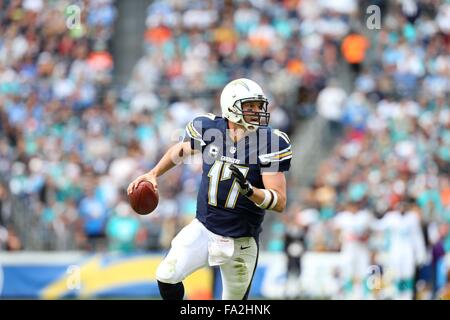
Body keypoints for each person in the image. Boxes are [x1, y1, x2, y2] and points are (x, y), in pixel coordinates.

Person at [128, 78, 292, 300]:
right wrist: (154, 173)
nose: (256, 111)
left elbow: (280, 201)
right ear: (231, 107)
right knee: (166, 275)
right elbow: (182, 150)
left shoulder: (270, 143)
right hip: (204, 228)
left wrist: (250, 191)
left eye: (258, 106)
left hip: (241, 240)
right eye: (249, 106)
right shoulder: (210, 129)